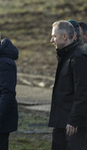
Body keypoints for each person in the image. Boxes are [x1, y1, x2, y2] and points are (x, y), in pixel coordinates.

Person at [49, 20, 87, 150]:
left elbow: (82, 93)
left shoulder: (79, 58)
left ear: (64, 36)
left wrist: (73, 121)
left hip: (72, 126)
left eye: (54, 36)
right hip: (60, 123)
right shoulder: (64, 56)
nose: (51, 40)